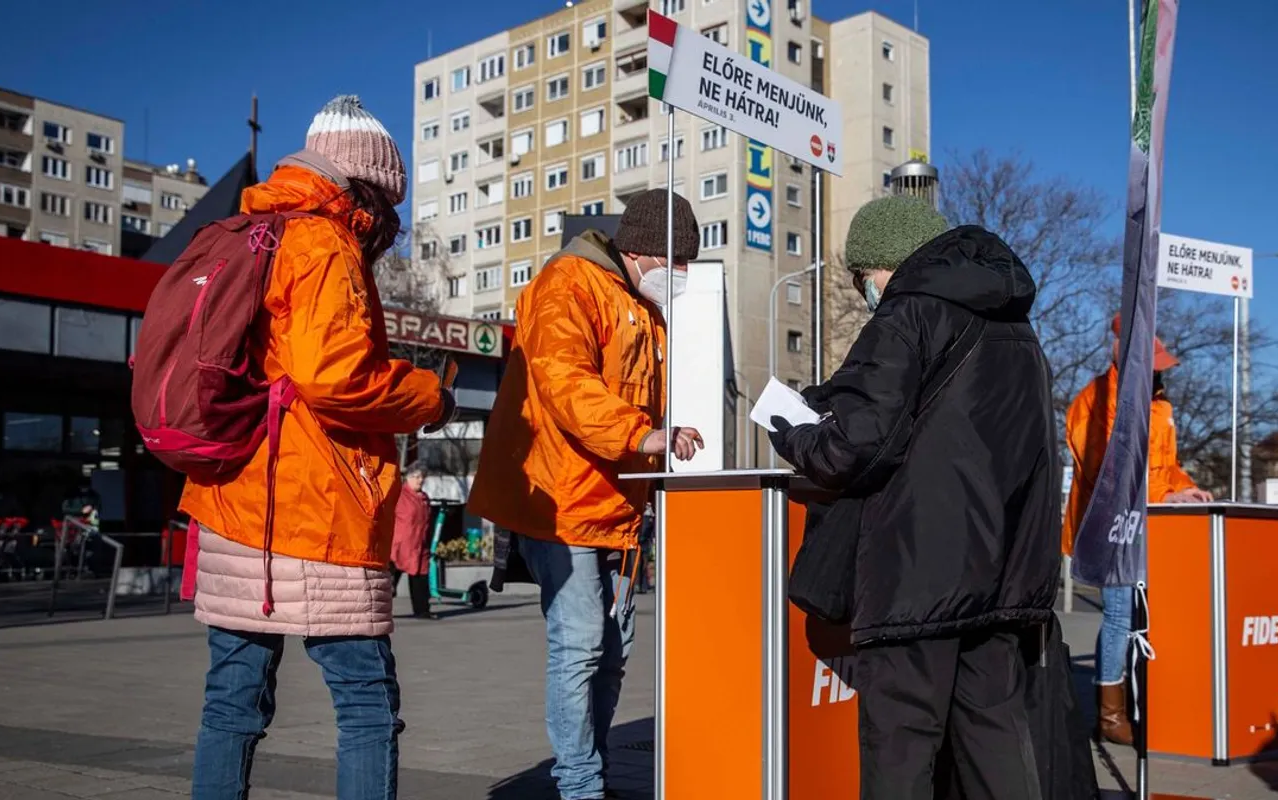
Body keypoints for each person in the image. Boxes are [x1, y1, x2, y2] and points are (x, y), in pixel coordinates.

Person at [184, 95, 452, 800]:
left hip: (232, 499)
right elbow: (335, 379)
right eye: (391, 200)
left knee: (231, 705)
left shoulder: (253, 227)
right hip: (315, 508)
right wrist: (428, 396)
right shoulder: (323, 242)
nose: (391, 222)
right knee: (366, 705)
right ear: (369, 185)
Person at [769, 197, 1063, 799]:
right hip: (1005, 576)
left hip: (918, 574)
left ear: (887, 263)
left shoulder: (907, 313)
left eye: (862, 275)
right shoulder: (1017, 328)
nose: (863, 288)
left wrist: (794, 432)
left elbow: (857, 447)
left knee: (901, 752)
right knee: (996, 745)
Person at [469, 188, 704, 800]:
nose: (682, 277)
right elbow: (564, 382)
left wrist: (664, 437)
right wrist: (643, 435)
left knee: (613, 650)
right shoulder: (567, 284)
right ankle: (578, 784)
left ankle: (590, 768)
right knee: (580, 644)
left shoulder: (643, 308)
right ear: (645, 251)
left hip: (620, 506)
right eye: (678, 263)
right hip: (561, 498)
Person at [1061, 316, 1211, 745]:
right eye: (1154, 364)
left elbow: (1166, 466)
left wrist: (1185, 488)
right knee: (1121, 616)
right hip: (1110, 528)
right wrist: (1166, 494)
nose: (1160, 372)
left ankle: (1139, 703)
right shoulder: (1095, 401)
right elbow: (1108, 471)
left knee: (1143, 618)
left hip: (1150, 526)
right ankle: (1111, 716)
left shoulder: (1159, 406)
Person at [390, 465, 436, 620]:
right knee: (389, 584)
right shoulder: (399, 495)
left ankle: (422, 610)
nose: (420, 480)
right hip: (400, 546)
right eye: (416, 476)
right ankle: (379, 611)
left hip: (419, 546)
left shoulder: (424, 498)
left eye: (422, 476)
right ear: (408, 478)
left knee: (420, 579)